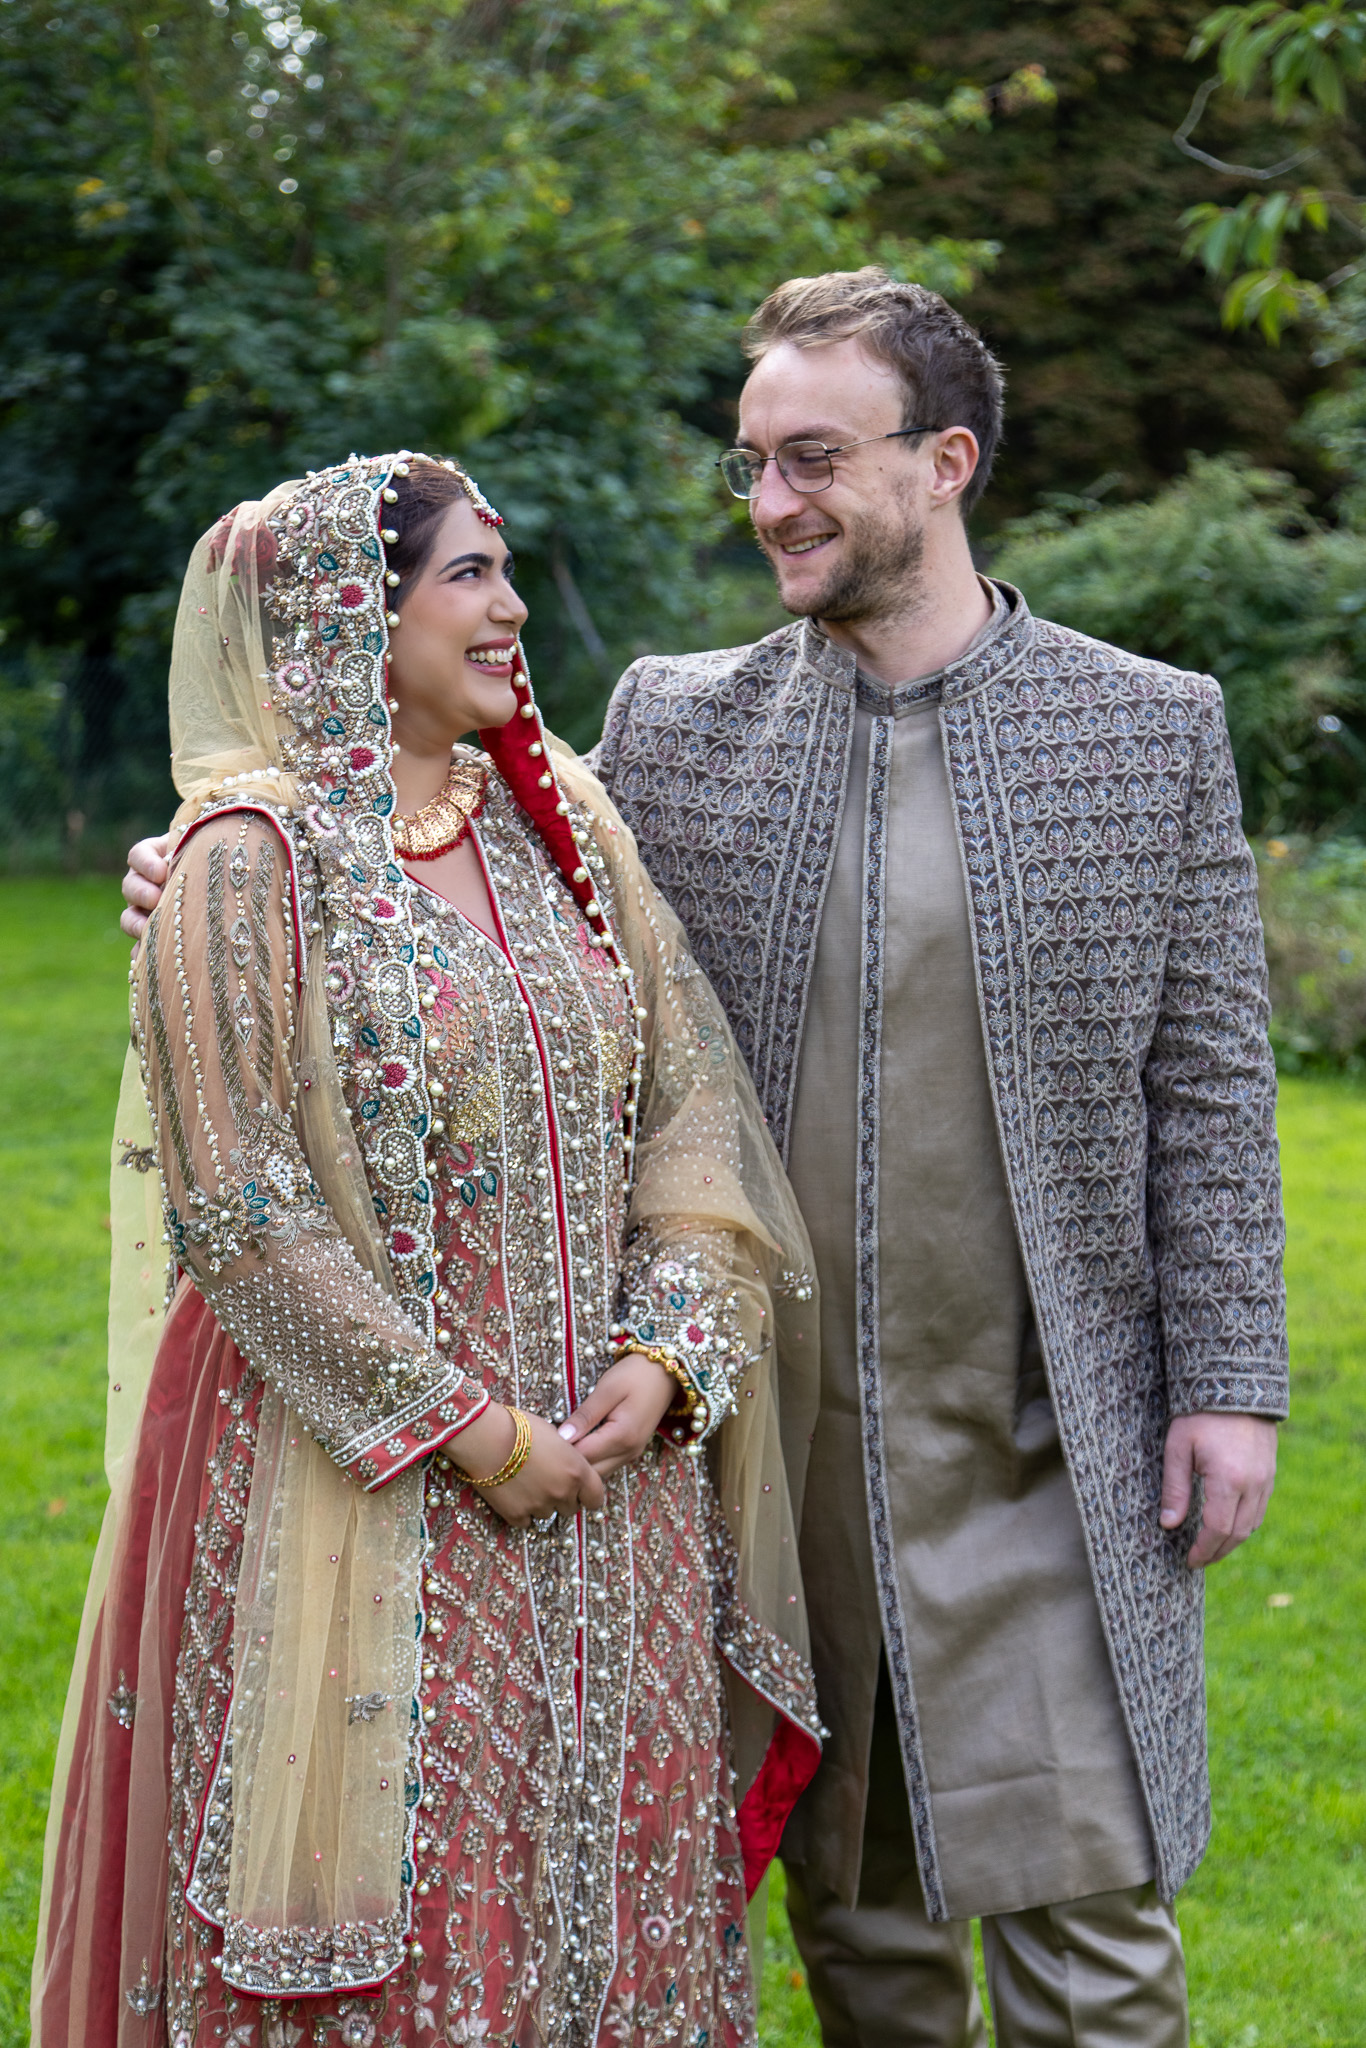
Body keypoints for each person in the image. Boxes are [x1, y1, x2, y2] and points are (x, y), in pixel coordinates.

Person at [121, 268, 1289, 2048]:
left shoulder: (1144, 730)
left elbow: (1206, 1085)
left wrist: (1228, 1379)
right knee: (857, 1911)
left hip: (1055, 1425)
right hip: (763, 1432)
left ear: (944, 460)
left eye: (811, 458)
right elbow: (452, 865)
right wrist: (201, 870)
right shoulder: (673, 728)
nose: (770, 504)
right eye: (746, 464)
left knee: (1089, 1919)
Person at [38, 453, 822, 2048]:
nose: (512, 606)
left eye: (501, 568)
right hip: (363, 1485)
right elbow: (240, 1209)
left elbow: (689, 1116)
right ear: (350, 611)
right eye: (470, 574)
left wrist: (666, 1356)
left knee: (612, 1909)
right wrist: (477, 1435)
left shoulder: (561, 831)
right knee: (414, 1918)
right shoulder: (246, 862)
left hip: (616, 1489)